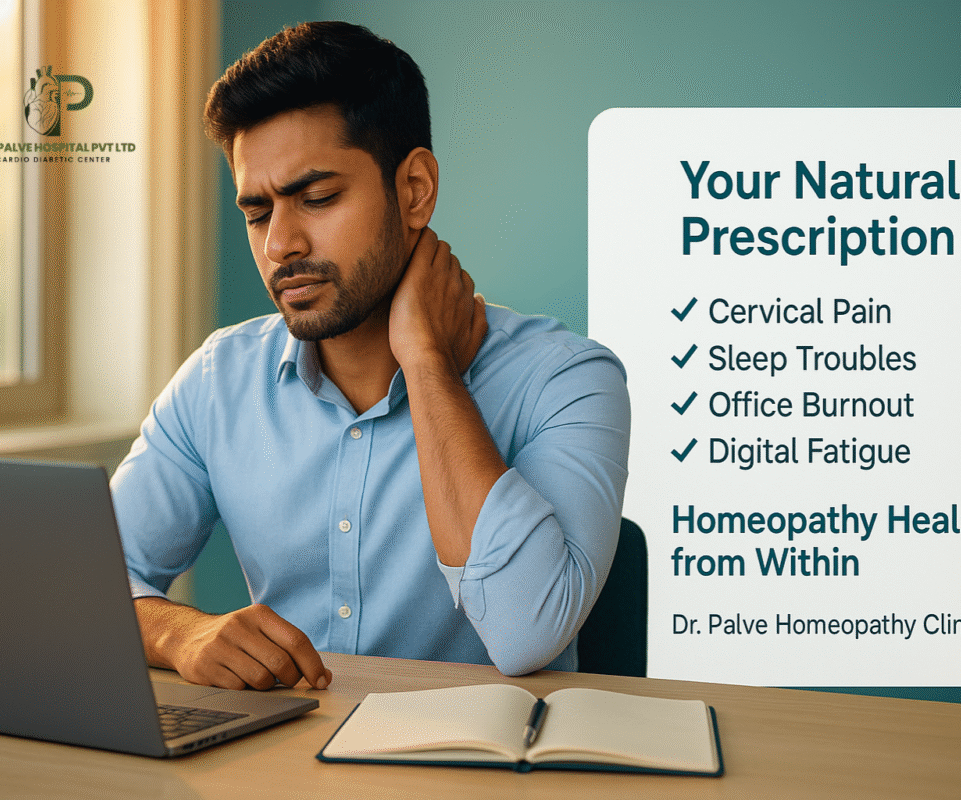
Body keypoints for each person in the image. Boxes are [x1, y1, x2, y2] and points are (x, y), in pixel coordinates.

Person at [111, 21, 630, 689]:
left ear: (414, 189)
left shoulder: (566, 379)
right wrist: (179, 632)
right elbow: (81, 582)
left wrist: (428, 364)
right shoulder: (218, 381)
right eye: (258, 213)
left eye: (317, 198)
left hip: (477, 756)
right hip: (287, 753)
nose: (280, 245)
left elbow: (525, 633)